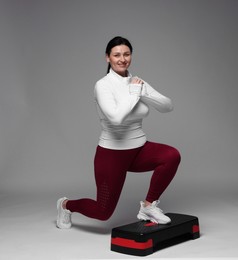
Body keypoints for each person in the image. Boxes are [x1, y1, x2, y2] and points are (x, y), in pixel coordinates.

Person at [56, 36, 181, 229]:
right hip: (112, 155)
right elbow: (116, 118)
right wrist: (134, 94)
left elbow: (168, 106)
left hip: (139, 150)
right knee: (103, 212)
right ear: (107, 58)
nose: (122, 59)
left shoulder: (137, 82)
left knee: (171, 156)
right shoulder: (103, 85)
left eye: (126, 54)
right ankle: (65, 205)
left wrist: (142, 91)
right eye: (116, 55)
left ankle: (148, 206)